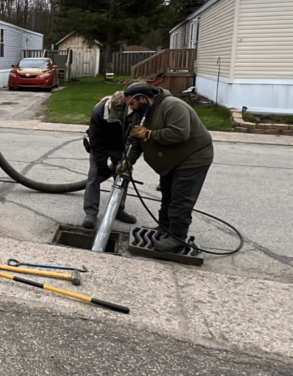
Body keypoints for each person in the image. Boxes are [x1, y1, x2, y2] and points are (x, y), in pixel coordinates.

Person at [117, 82, 214, 252]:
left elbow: (180, 133)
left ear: (143, 98)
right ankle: (165, 228)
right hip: (171, 162)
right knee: (167, 195)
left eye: (132, 103)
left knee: (180, 199)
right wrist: (128, 161)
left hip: (192, 158)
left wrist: (150, 134)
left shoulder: (173, 106)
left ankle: (177, 238)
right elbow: (138, 142)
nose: (130, 108)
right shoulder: (141, 113)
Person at [81, 91, 138, 229]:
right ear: (111, 105)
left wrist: (127, 157)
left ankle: (118, 209)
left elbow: (133, 134)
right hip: (100, 143)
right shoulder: (99, 111)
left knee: (123, 175)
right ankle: (90, 213)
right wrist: (102, 166)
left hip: (120, 146)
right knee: (94, 175)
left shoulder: (133, 111)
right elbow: (96, 142)